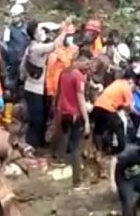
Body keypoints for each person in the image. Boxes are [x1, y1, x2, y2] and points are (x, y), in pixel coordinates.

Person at [23, 18, 70, 148]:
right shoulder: (36, 48)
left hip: (37, 87)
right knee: (36, 119)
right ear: (34, 34)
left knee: (42, 116)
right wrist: (64, 30)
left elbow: (44, 25)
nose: (43, 32)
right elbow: (55, 45)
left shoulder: (30, 47)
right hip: (34, 89)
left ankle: (40, 142)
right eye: (39, 30)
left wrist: (59, 25)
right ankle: (31, 145)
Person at [93, 68, 137, 187]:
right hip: (108, 108)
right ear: (131, 81)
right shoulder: (126, 87)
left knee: (99, 130)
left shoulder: (116, 83)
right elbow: (128, 107)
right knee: (119, 125)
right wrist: (139, 113)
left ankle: (98, 151)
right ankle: (118, 151)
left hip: (97, 106)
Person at [54, 56, 91, 186]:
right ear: (78, 61)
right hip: (75, 114)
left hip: (64, 113)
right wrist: (86, 120)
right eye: (86, 63)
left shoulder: (64, 73)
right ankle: (77, 180)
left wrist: (55, 107)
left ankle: (61, 171)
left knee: (64, 142)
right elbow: (80, 98)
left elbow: (58, 92)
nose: (88, 67)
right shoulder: (78, 76)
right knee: (77, 148)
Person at [2, 4, 29, 124]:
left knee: (21, 91)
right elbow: (4, 45)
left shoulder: (26, 29)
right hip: (11, 64)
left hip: (23, 63)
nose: (14, 19)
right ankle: (7, 116)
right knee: (9, 90)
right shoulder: (8, 30)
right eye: (13, 16)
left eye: (16, 16)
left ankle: (19, 117)